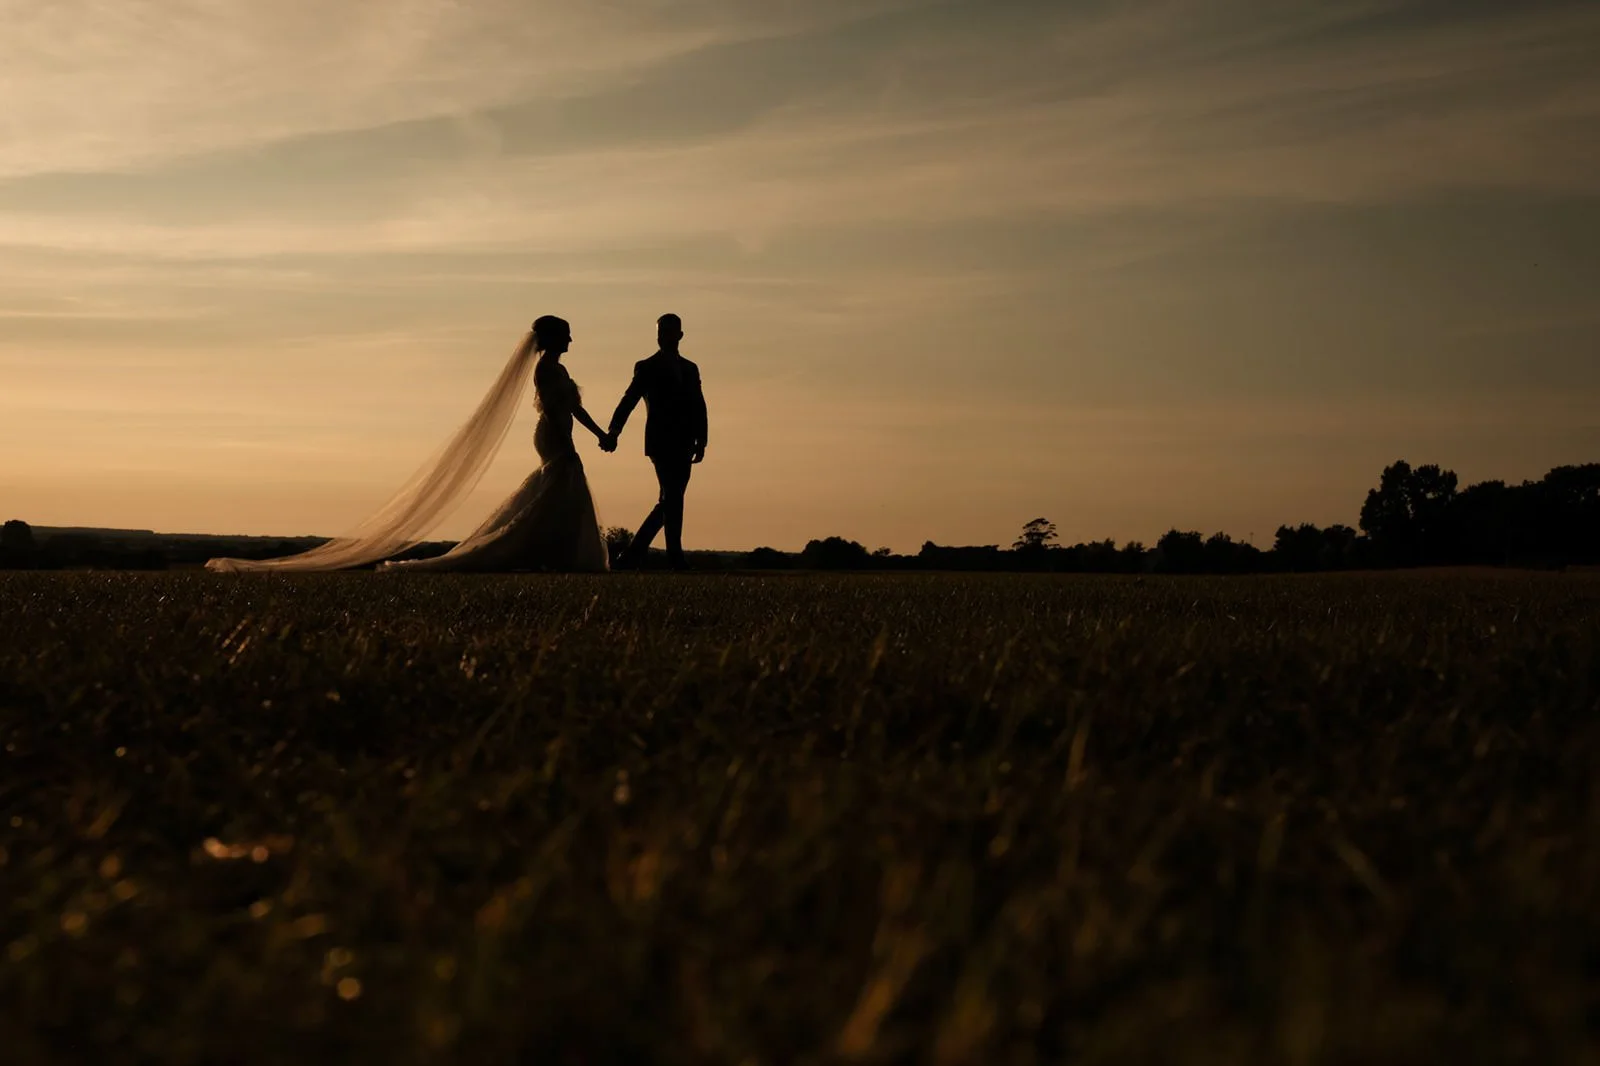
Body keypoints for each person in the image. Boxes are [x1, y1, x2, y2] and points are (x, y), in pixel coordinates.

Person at [206, 315, 608, 573]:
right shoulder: (546, 369)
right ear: (554, 338)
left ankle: (554, 553)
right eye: (567, 334)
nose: (572, 339)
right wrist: (579, 439)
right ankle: (547, 553)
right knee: (559, 490)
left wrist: (601, 433)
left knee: (556, 494)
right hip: (554, 438)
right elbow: (560, 412)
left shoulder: (558, 368)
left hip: (559, 435)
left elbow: (574, 409)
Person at [602, 314, 708, 569]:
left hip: (685, 441)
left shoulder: (690, 368)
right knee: (672, 497)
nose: (665, 336)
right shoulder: (646, 366)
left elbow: (699, 406)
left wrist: (702, 439)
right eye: (661, 332)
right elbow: (629, 400)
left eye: (670, 332)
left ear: (680, 335)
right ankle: (675, 558)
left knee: (671, 500)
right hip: (660, 441)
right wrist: (614, 431)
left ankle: (633, 555)